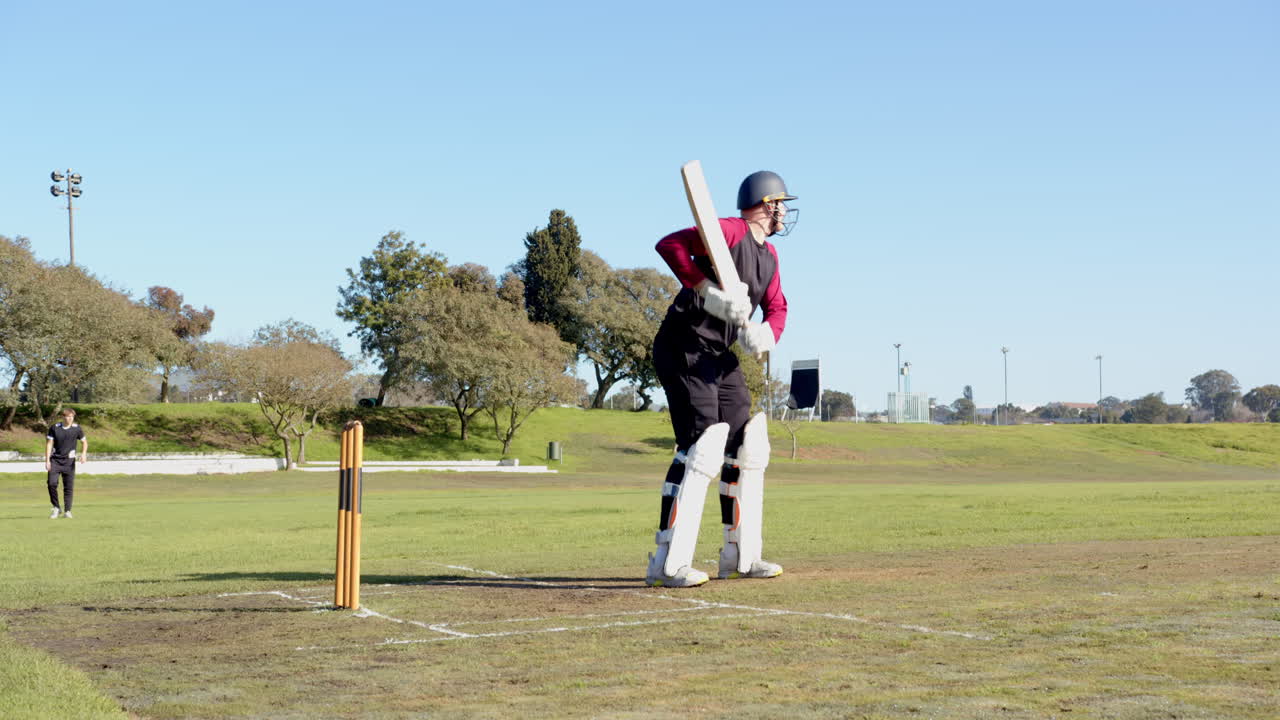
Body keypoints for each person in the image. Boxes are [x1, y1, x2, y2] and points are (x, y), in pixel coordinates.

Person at [644, 170, 796, 587]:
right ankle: (667, 563)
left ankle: (740, 556)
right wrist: (707, 289)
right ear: (766, 205)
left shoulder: (770, 256)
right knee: (701, 448)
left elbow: (778, 306)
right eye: (780, 203)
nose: (784, 212)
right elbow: (670, 245)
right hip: (684, 345)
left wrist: (768, 332)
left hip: (720, 354)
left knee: (749, 446)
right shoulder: (729, 231)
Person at [45, 407, 87, 519]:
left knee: (68, 487)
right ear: (63, 417)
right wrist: (47, 460)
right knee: (51, 484)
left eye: (71, 417)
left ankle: (68, 511)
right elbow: (49, 444)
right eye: (67, 416)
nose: (69, 419)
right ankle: (56, 508)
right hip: (55, 461)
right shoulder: (55, 428)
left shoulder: (77, 428)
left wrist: (83, 454)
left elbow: (84, 442)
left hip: (69, 462)